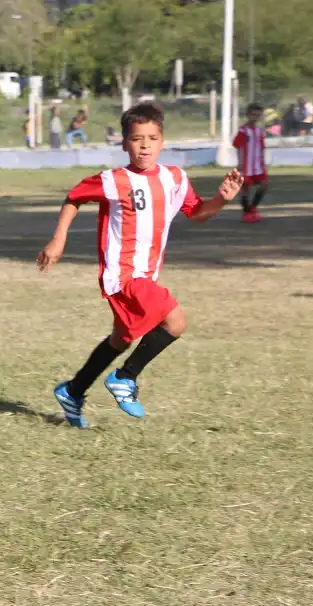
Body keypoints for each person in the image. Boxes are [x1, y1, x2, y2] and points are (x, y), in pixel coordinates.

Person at [37, 102, 243, 428]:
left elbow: (198, 212)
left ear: (162, 141)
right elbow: (74, 198)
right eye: (136, 138)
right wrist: (58, 239)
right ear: (124, 143)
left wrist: (221, 200)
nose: (144, 145)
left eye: (152, 138)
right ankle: (125, 378)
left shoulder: (175, 178)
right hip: (123, 275)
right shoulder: (112, 180)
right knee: (174, 322)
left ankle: (73, 391)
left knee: (121, 338)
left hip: (147, 273)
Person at [233, 102, 268, 223]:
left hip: (258, 165)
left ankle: (253, 208)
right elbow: (237, 145)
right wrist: (240, 162)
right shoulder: (243, 130)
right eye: (254, 115)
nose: (256, 117)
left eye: (258, 115)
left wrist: (263, 161)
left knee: (264, 185)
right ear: (248, 115)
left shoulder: (259, 130)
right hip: (246, 165)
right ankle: (246, 213)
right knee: (245, 189)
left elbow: (262, 147)